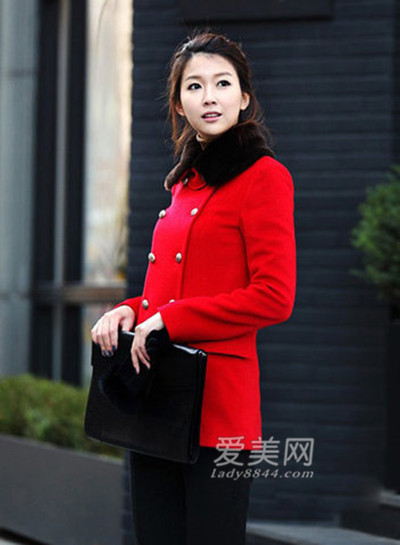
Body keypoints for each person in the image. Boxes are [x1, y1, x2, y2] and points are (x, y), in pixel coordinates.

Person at [91, 29, 296, 545]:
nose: (210, 97)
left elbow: (275, 295)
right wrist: (130, 310)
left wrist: (170, 320)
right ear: (179, 104)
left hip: (219, 411)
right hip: (159, 400)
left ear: (244, 97)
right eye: (195, 86)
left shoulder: (263, 176)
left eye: (223, 83)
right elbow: (175, 288)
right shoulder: (186, 182)